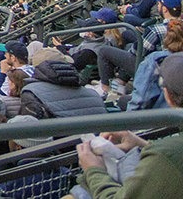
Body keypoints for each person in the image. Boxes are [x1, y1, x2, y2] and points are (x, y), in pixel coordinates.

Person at [76, 54, 183, 199]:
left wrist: (93, 170)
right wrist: (144, 145)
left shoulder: (169, 152)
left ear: (168, 96)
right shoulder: (169, 152)